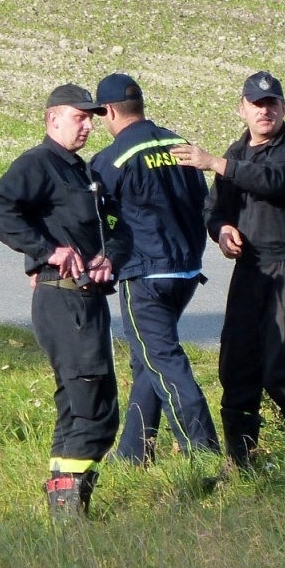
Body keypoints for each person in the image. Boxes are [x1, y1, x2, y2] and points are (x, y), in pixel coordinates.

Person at [0, 84, 122, 521]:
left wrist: (108, 256)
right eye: (79, 117)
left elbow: (111, 225)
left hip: (86, 300)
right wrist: (46, 251)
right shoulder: (38, 163)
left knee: (81, 406)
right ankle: (68, 515)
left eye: (92, 117)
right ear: (52, 119)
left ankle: (67, 510)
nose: (88, 125)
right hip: (63, 303)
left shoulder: (81, 170)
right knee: (92, 408)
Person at [173, 71, 285, 467]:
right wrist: (221, 229)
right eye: (257, 104)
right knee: (237, 362)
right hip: (251, 268)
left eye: (272, 104)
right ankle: (240, 459)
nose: (265, 111)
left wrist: (215, 163)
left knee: (284, 364)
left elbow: (272, 180)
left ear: (283, 108)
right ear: (242, 108)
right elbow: (214, 207)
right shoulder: (236, 152)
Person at [89, 73, 221, 465]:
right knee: (147, 358)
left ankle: (204, 451)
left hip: (145, 275)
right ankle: (133, 454)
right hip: (185, 271)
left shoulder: (112, 159)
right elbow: (204, 203)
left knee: (163, 360)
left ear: (109, 111)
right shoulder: (179, 145)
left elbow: (95, 218)